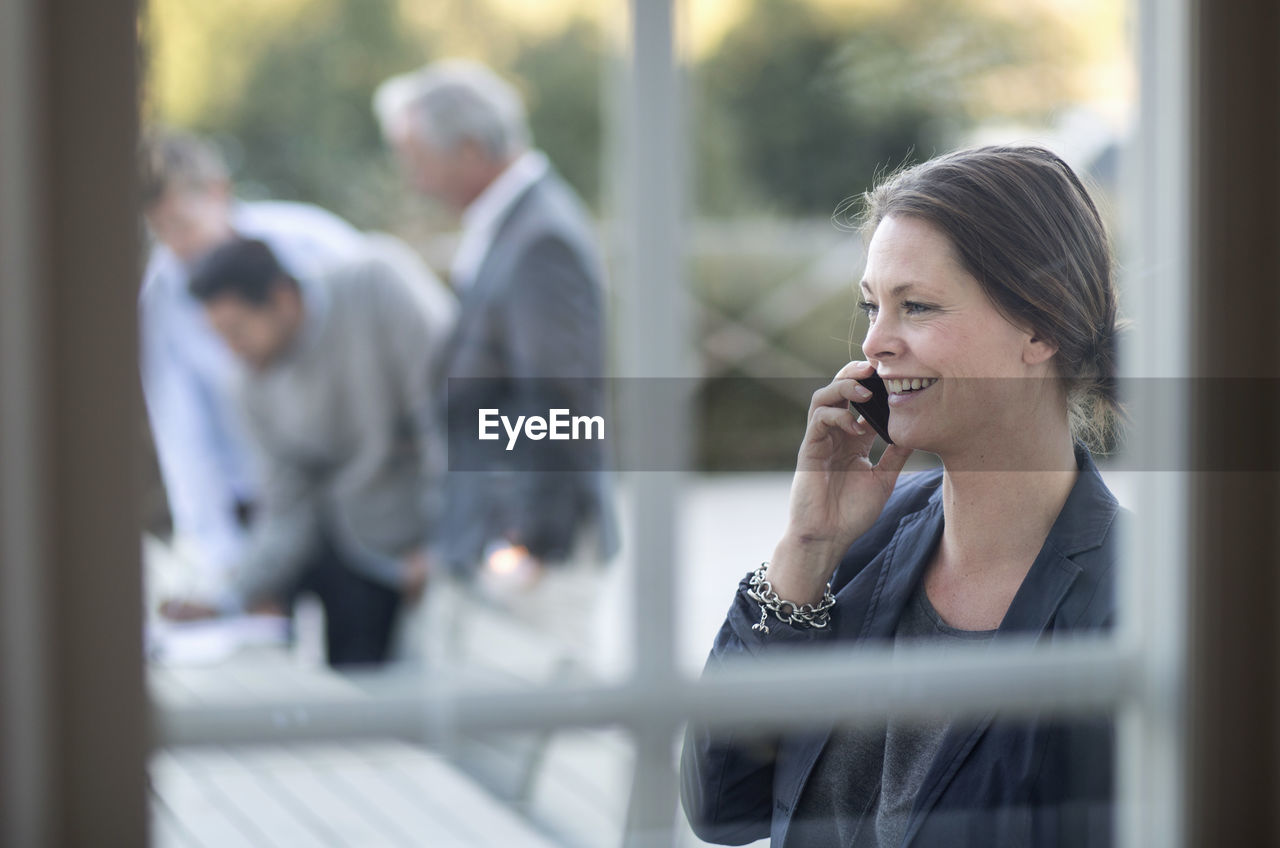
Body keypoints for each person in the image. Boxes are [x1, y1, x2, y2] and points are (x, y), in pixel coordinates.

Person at [681, 146, 1125, 846]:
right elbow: (722, 806)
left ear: (1041, 325)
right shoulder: (858, 546)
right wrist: (806, 549)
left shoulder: (1134, 603)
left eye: (915, 307)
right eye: (871, 307)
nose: (875, 343)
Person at [372, 60, 617, 627]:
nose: (412, 178)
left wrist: (525, 540)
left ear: (467, 150)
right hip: (502, 539)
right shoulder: (518, 224)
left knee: (546, 711)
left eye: (417, 158)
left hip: (530, 552)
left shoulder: (541, 237)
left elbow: (562, 399)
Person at [161, 237, 455, 666]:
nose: (231, 349)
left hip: (447, 534)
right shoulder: (247, 385)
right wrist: (226, 596)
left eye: (238, 330)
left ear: (282, 299)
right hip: (362, 554)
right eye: (219, 337)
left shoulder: (376, 288)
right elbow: (285, 509)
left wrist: (443, 544)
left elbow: (455, 417)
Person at [139, 129, 366, 594]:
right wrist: (218, 557)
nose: (175, 244)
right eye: (159, 230)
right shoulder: (160, 301)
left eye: (182, 223)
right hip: (261, 499)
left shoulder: (315, 244)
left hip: (357, 487)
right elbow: (183, 434)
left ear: (218, 192)